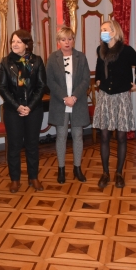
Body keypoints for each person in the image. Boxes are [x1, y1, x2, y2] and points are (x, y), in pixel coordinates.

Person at [93, 20, 136, 189]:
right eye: (101, 30)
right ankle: (105, 173)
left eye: (105, 29)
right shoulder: (100, 50)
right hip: (105, 97)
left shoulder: (126, 50)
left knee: (121, 137)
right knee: (105, 136)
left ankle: (119, 173)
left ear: (114, 32)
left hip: (122, 96)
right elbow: (99, 68)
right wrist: (98, 79)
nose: (102, 32)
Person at [0, 29, 47, 193]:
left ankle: (33, 177)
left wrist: (30, 106)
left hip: (33, 109)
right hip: (13, 110)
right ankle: (15, 179)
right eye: (13, 41)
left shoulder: (37, 61)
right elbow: (2, 88)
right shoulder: (5, 62)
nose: (15, 44)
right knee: (14, 145)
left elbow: (41, 86)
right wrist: (18, 106)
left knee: (32, 145)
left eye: (18, 41)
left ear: (27, 44)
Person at [46, 27, 90, 184]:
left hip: (77, 103)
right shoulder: (52, 58)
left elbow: (86, 80)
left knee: (78, 135)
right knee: (61, 136)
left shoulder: (81, 57)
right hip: (60, 102)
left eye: (70, 39)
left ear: (73, 40)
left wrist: (74, 97)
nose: (67, 42)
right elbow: (49, 81)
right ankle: (61, 169)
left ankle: (77, 168)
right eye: (63, 39)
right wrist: (65, 97)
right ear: (58, 42)